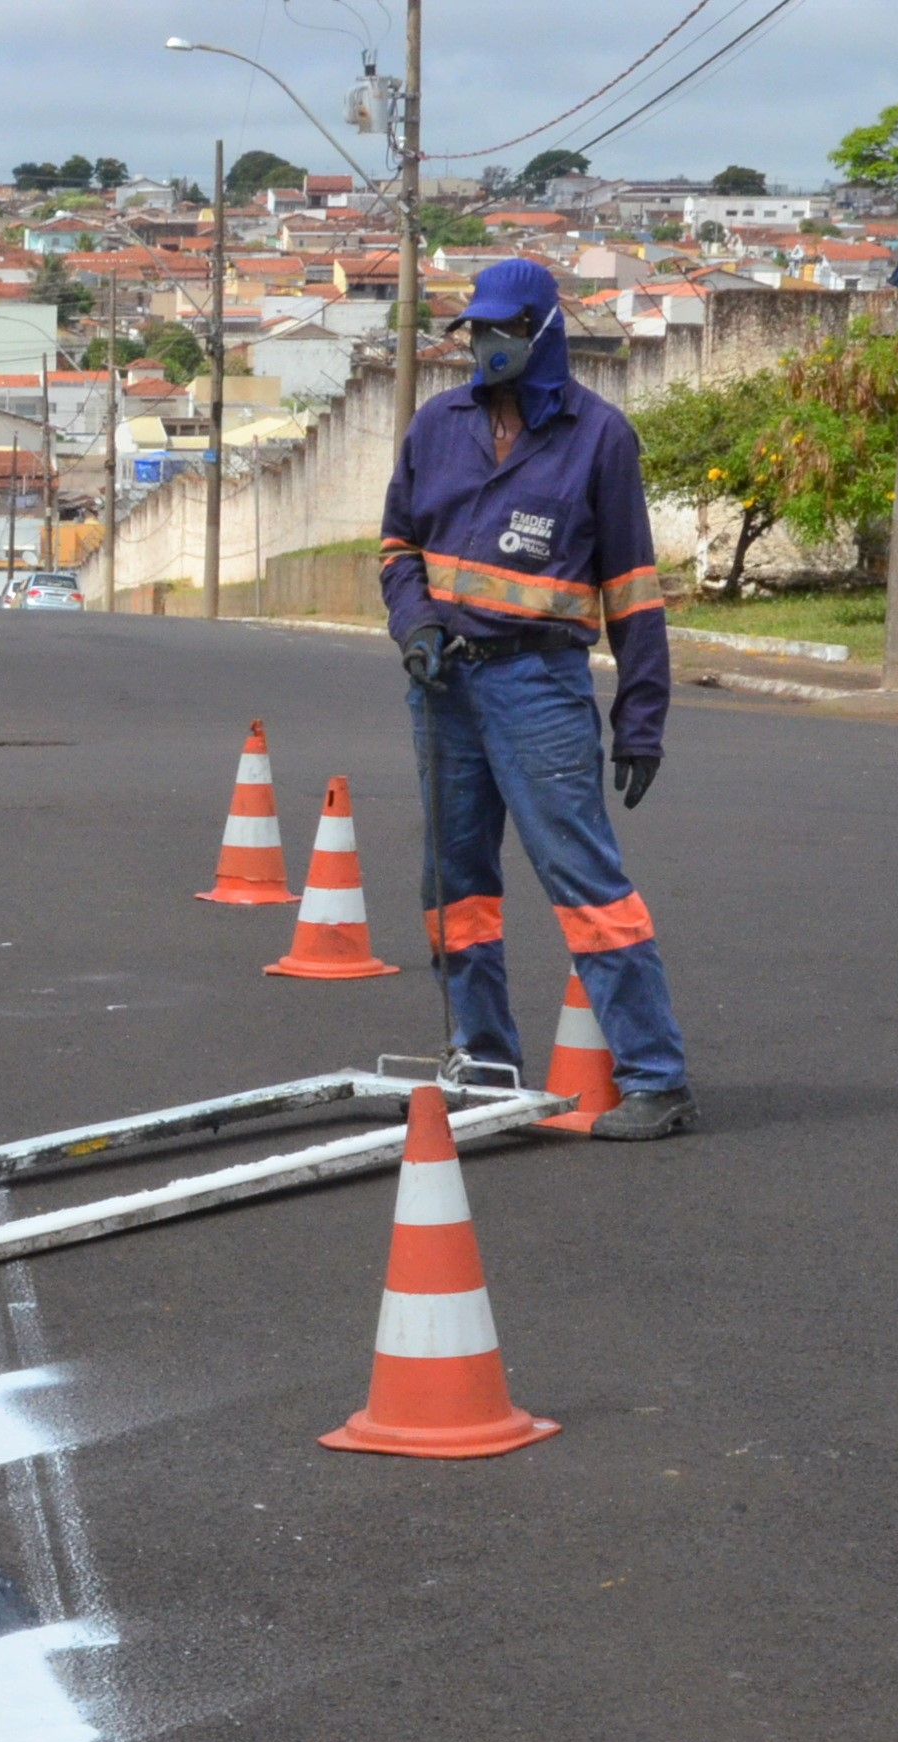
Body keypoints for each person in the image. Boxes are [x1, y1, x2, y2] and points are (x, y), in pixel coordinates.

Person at [379, 254, 695, 1140]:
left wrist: (641, 719)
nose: (487, 342)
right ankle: (483, 1062)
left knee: (583, 879)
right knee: (455, 882)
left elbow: (632, 590)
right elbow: (398, 549)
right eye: (478, 328)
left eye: (506, 329)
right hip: (443, 685)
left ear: (545, 333)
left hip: (539, 687)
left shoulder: (600, 438)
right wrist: (416, 626)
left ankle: (657, 1077)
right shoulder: (436, 427)